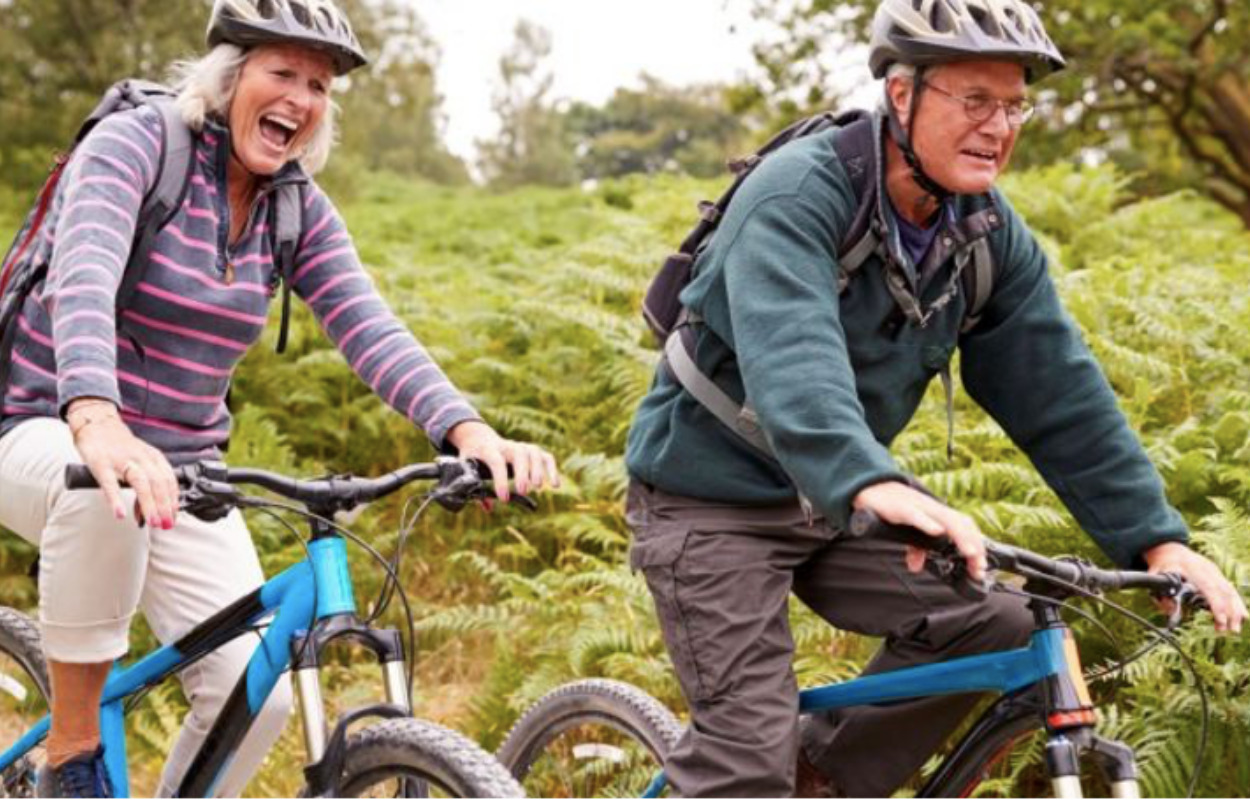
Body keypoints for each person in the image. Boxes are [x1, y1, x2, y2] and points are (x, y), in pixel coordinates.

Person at [623, 0, 1247, 795]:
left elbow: (1058, 389)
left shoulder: (985, 232)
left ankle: (820, 777)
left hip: (837, 499)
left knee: (995, 620)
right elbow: (794, 361)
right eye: (974, 99)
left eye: (1016, 104)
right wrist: (870, 481)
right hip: (710, 502)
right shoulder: (797, 197)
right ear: (902, 96)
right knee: (746, 755)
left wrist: (1155, 539)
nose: (1000, 126)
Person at [0, 1, 558, 796]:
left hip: (188, 468)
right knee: (105, 499)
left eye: (320, 85)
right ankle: (71, 752)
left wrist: (468, 431)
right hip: (45, 431)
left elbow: (371, 328)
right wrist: (97, 420)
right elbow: (83, 275)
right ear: (230, 79)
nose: (301, 98)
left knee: (249, 693)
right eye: (282, 73)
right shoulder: (135, 146)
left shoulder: (292, 208)